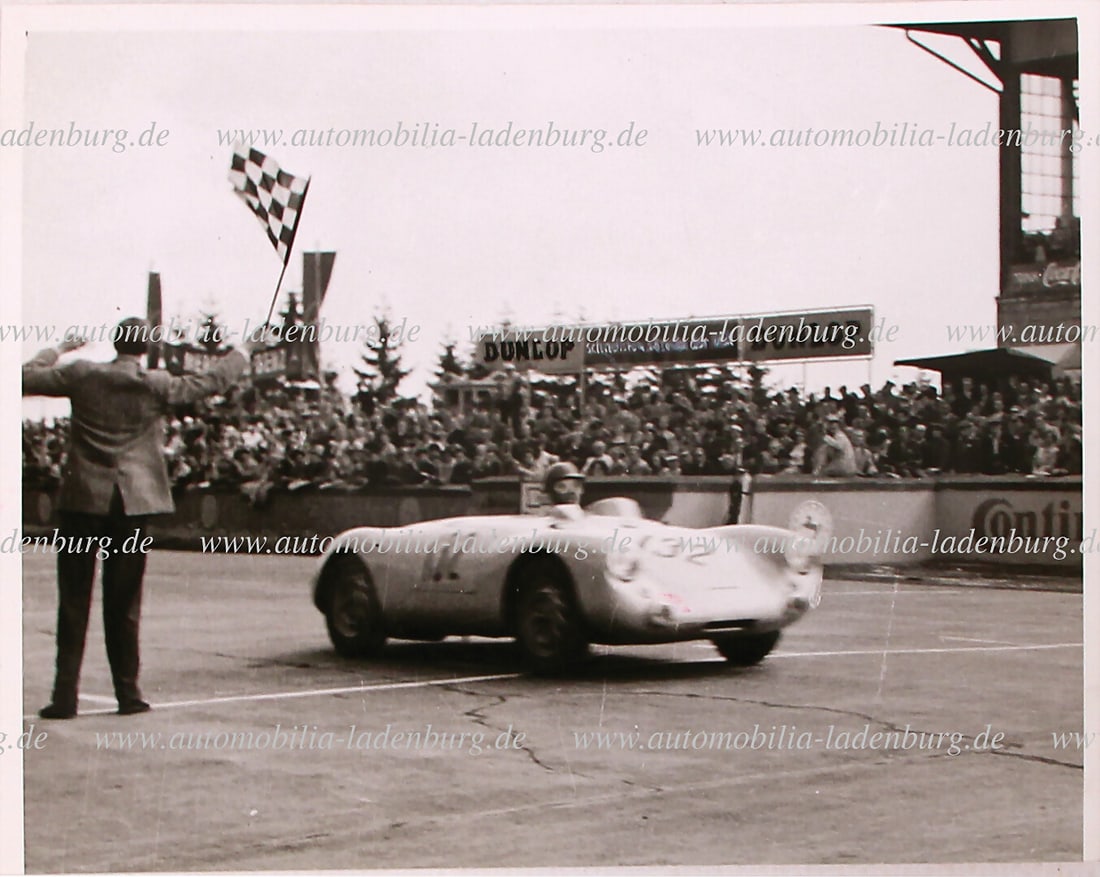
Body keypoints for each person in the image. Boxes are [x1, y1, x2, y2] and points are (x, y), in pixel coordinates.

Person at [23, 318, 258, 719]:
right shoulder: (156, 384)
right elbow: (211, 382)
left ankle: (64, 697)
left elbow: (23, 376)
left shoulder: (82, 374)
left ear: (116, 343)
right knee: (125, 600)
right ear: (146, 349)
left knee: (74, 599)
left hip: (83, 500)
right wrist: (246, 350)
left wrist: (60, 348)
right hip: (132, 502)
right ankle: (128, 694)